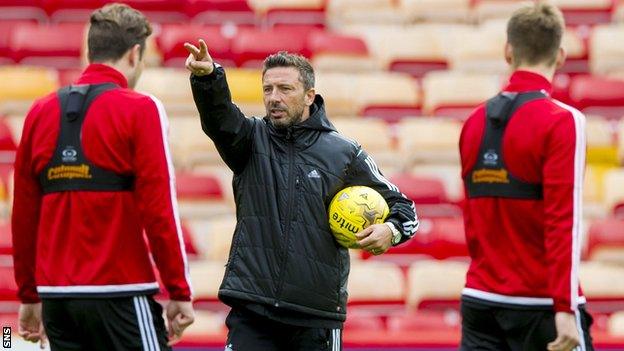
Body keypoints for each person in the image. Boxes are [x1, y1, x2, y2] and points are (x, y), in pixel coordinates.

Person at [184, 41, 419, 350]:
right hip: (254, 311)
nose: (274, 98)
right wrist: (208, 79)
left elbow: (404, 209)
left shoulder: (344, 153)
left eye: (285, 89)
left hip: (316, 319)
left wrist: (390, 230)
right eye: (267, 89)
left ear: (310, 95)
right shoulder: (249, 140)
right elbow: (220, 119)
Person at [12, 3, 194, 350]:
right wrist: (179, 290)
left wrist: (28, 296)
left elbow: (22, 217)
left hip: (57, 302)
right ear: (135, 53)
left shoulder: (39, 111)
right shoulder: (141, 109)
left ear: (90, 51)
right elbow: (160, 210)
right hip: (120, 292)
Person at [459, 2, 593, 351]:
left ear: (508, 51)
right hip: (542, 306)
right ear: (561, 55)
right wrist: (564, 307)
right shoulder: (563, 120)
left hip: (479, 301)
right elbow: (564, 219)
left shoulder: (473, 121)